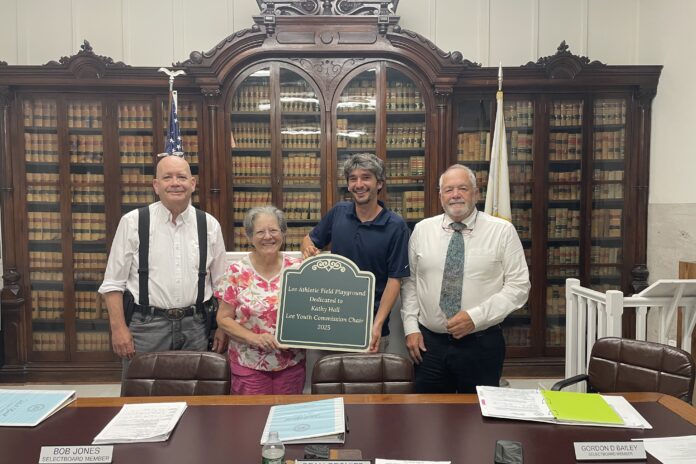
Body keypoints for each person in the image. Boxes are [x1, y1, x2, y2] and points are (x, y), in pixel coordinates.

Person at [400, 164, 530, 393]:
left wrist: (475, 317)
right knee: (429, 411)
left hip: (481, 344)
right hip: (429, 346)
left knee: (477, 412)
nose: (455, 195)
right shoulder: (422, 230)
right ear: (440, 196)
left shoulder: (502, 231)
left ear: (476, 193)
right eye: (448, 189)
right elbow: (411, 283)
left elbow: (518, 287)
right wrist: (411, 327)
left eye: (463, 188)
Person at [99, 155, 228, 368]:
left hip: (196, 327)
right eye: (167, 177)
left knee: (193, 387)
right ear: (156, 186)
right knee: (142, 388)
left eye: (181, 177)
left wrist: (223, 327)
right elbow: (113, 283)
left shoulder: (209, 225)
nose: (175, 183)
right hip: (145, 328)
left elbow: (222, 285)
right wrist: (119, 329)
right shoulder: (133, 222)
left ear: (192, 184)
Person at [301, 153, 410, 352]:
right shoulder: (338, 212)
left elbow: (395, 280)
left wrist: (377, 325)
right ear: (348, 185)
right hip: (331, 324)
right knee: (327, 373)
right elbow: (309, 240)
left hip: (370, 331)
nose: (359, 184)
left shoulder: (396, 226)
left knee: (369, 375)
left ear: (379, 183)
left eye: (366, 177)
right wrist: (309, 251)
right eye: (353, 179)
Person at [215, 206, 305, 395]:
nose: (268, 237)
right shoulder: (236, 272)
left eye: (273, 230)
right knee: (252, 415)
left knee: (288, 414)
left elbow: (312, 314)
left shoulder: (299, 270)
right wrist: (255, 338)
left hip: (290, 365)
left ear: (283, 233)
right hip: (248, 365)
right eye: (260, 232)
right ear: (249, 237)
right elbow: (223, 319)